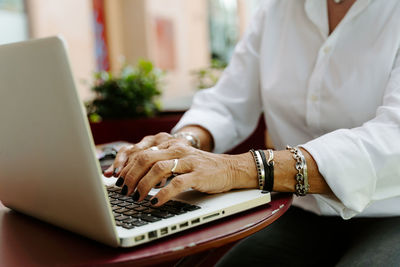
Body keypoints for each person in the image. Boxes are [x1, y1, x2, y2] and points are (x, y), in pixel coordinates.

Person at [104, 0, 400, 265]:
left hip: (390, 211)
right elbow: (228, 103)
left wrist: (237, 169)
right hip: (302, 208)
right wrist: (183, 144)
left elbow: (393, 138)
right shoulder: (276, 10)